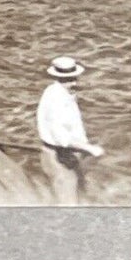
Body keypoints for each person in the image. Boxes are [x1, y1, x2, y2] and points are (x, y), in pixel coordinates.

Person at [36, 56, 103, 205]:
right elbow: (62, 139)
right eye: (67, 79)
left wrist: (82, 148)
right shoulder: (55, 100)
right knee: (68, 205)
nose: (73, 82)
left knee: (80, 195)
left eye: (73, 78)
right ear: (57, 78)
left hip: (69, 155)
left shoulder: (60, 93)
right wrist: (90, 148)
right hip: (58, 157)